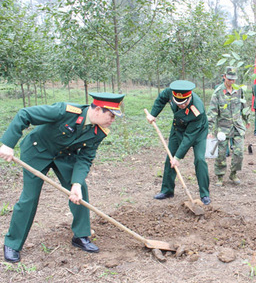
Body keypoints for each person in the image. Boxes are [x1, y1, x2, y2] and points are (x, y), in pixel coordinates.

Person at [0, 92, 125, 263]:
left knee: (81, 191)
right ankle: (12, 243)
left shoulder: (99, 132)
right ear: (97, 110)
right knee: (29, 197)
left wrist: (76, 184)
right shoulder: (64, 111)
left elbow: (85, 158)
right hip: (37, 152)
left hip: (64, 156)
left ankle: (80, 236)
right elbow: (25, 114)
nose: (112, 120)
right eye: (110, 115)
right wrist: (8, 144)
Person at [146, 80, 210, 205]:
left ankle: (205, 194)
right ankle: (167, 190)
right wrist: (153, 114)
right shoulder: (171, 92)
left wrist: (178, 157)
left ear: (189, 97)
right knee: (169, 159)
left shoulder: (198, 110)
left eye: (183, 103)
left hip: (197, 132)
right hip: (178, 128)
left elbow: (189, 137)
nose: (180, 105)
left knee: (200, 160)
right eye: (178, 103)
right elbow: (161, 99)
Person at [207, 67, 250, 186]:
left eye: (233, 79)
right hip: (223, 128)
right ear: (224, 76)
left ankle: (233, 173)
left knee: (239, 152)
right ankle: (220, 176)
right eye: (229, 79)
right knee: (221, 153)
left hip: (237, 126)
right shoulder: (218, 92)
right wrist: (209, 129)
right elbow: (212, 112)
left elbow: (243, 105)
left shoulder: (239, 90)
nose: (231, 81)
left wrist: (247, 118)